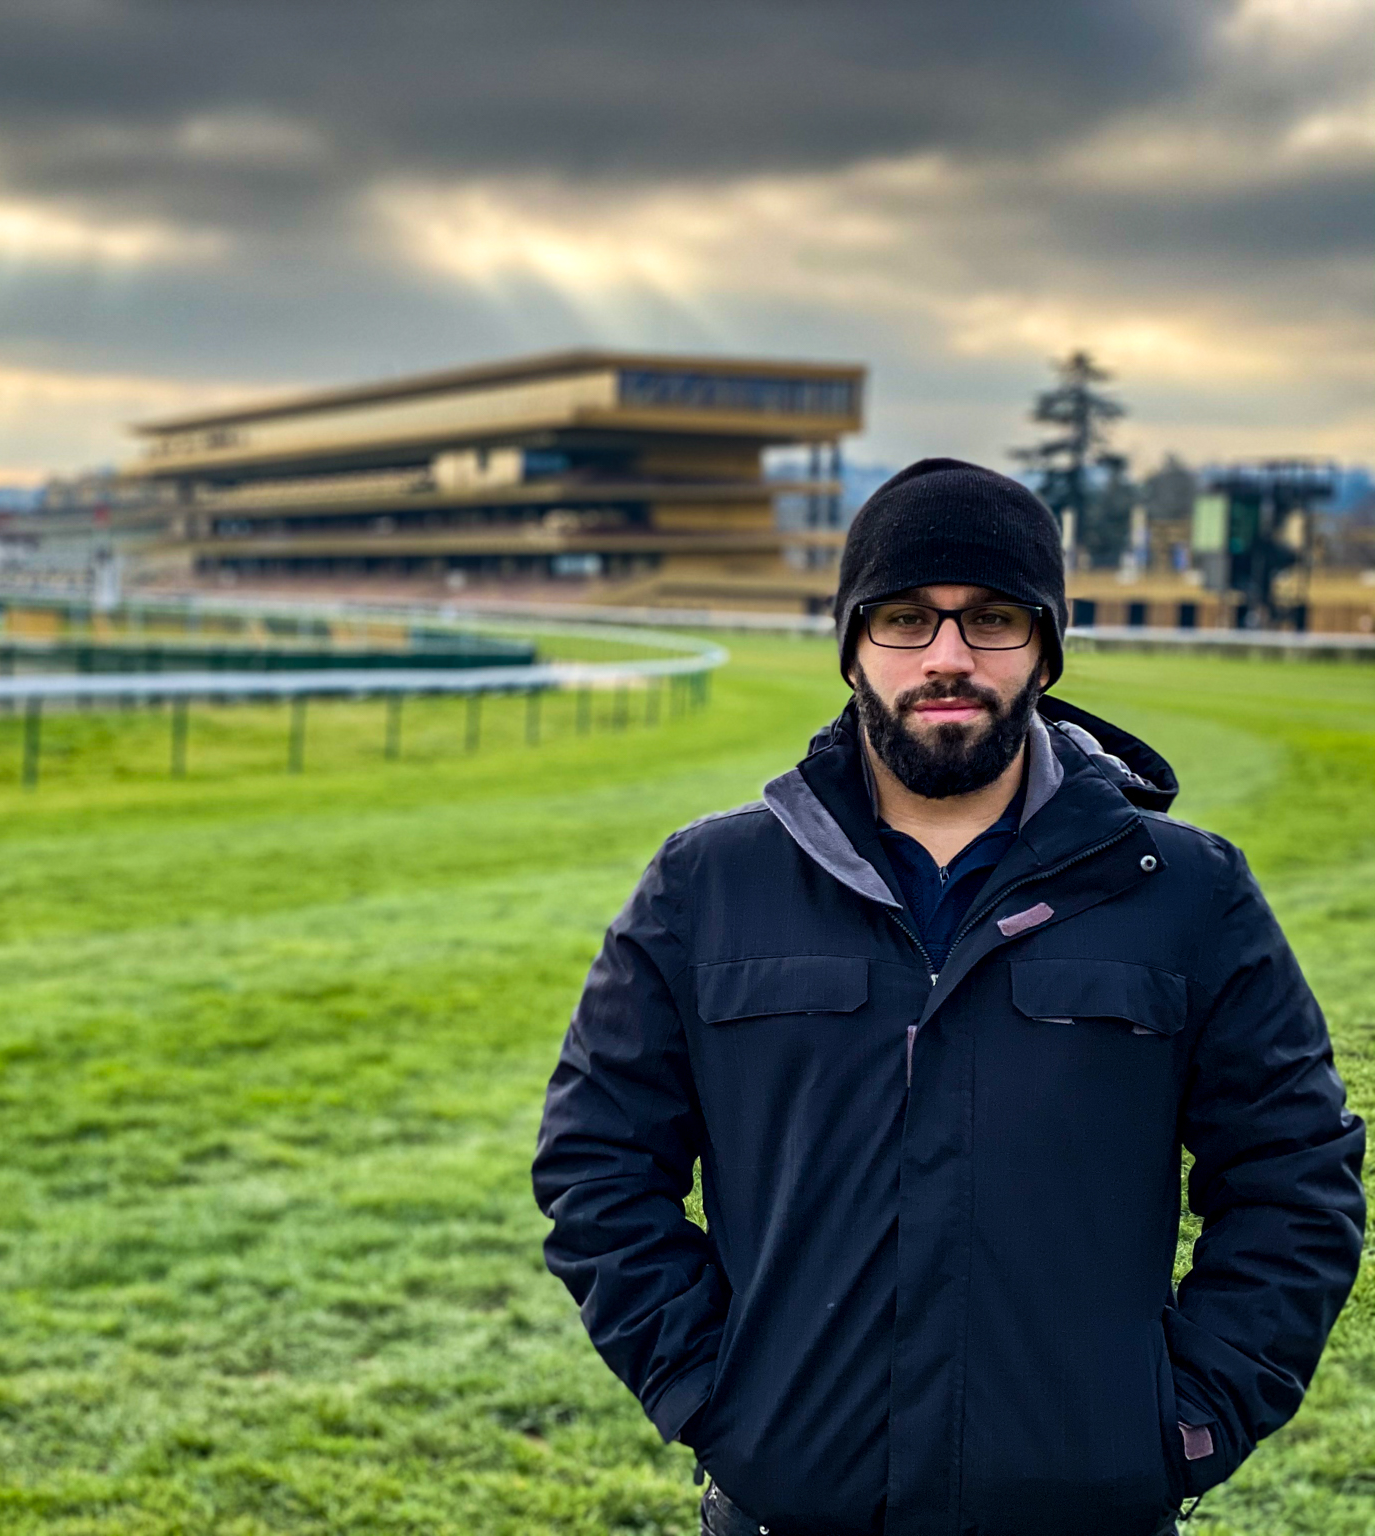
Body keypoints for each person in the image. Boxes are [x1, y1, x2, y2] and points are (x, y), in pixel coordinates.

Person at [532, 459, 1365, 1536]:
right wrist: (711, 1396)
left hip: (1088, 1512)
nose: (946, 657)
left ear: (1044, 648)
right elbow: (595, 1164)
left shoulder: (1186, 894)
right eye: (903, 619)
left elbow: (1296, 1179)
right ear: (850, 646)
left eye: (991, 619)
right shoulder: (707, 885)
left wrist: (1186, 1421)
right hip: (788, 1508)